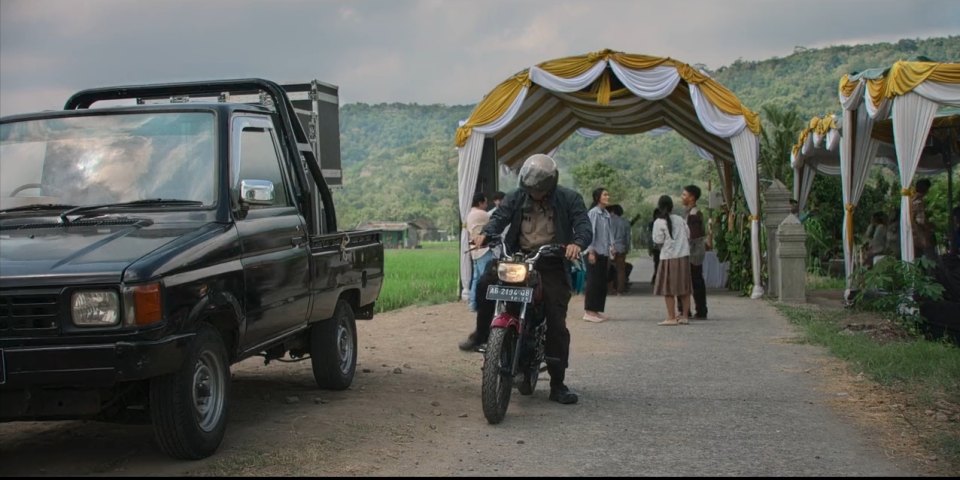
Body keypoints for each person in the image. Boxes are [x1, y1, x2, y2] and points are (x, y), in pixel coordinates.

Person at [458, 153, 592, 405]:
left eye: (538, 190)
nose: (533, 194)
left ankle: (557, 383)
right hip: (519, 258)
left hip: (551, 262)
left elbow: (583, 225)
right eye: (529, 189)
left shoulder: (569, 198)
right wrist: (486, 234)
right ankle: (482, 334)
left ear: (550, 185)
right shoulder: (518, 196)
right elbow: (499, 217)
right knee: (487, 283)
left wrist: (577, 243)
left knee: (556, 321)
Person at [652, 195, 692, 326]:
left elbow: (658, 240)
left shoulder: (658, 222)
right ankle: (685, 316)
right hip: (683, 257)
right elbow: (688, 234)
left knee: (668, 288)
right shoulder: (680, 219)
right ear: (672, 207)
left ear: (659, 207)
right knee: (684, 287)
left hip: (668, 258)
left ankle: (671, 317)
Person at [583, 187, 612, 322]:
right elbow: (590, 233)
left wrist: (611, 246)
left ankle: (596, 310)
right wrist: (591, 251)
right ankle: (588, 311)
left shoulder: (606, 214)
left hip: (603, 252)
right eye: (605, 195)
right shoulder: (593, 213)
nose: (608, 197)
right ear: (598, 198)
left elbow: (608, 233)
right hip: (593, 252)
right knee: (593, 282)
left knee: (601, 283)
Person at [679, 185, 707, 319]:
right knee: (696, 280)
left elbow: (694, 235)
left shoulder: (694, 214)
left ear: (692, 197)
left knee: (694, 281)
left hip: (693, 252)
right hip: (693, 251)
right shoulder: (690, 212)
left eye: (684, 195)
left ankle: (696, 310)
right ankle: (696, 310)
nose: (682, 197)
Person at [466, 192, 492, 312]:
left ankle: (473, 304)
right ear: (480, 203)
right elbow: (493, 224)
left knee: (476, 278)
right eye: (485, 202)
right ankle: (484, 304)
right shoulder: (483, 214)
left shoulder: (470, 214)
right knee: (485, 278)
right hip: (483, 250)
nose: (486, 205)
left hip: (474, 251)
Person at [606, 204, 632, 295]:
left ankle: (608, 289)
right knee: (621, 270)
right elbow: (628, 237)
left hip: (608, 248)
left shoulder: (607, 221)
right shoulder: (625, 222)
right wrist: (627, 247)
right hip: (621, 248)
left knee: (607, 269)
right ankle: (620, 291)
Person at [911, 178, 937, 261]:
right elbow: (920, 221)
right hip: (919, 235)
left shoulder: (910, 199)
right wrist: (929, 227)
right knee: (928, 259)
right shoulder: (918, 201)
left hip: (912, 235)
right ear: (926, 189)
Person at [648, 208, 661, 285]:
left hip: (659, 247)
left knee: (659, 263)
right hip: (656, 247)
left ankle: (657, 278)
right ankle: (656, 278)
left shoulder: (653, 223)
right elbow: (650, 237)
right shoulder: (652, 224)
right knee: (657, 263)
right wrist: (650, 248)